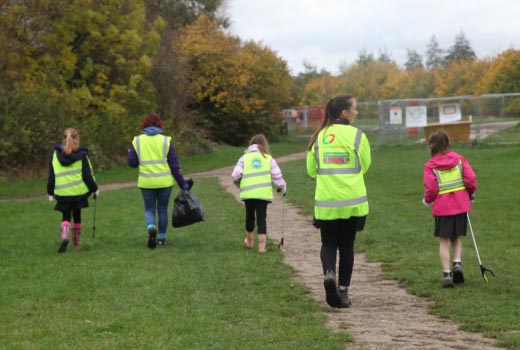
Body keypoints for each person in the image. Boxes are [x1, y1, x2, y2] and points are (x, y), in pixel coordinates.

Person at [306, 94, 371, 308]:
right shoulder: (357, 136)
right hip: (352, 201)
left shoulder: (319, 136)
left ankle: (329, 273)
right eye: (355, 108)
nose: (357, 112)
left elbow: (311, 170)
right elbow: (366, 165)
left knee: (328, 242)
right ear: (344, 112)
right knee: (347, 245)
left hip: (326, 202)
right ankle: (343, 293)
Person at [423, 130, 476, 288]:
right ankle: (457, 264)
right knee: (456, 237)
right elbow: (471, 179)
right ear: (447, 143)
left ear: (432, 146)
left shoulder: (430, 165)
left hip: (442, 207)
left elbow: (431, 188)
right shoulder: (460, 159)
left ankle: (446, 274)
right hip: (460, 205)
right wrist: (470, 193)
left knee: (444, 240)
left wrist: (427, 200)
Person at [128, 113, 190, 249]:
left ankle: (151, 227)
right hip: (164, 182)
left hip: (146, 182)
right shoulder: (166, 141)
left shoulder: (137, 141)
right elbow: (174, 166)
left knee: (149, 209)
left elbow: (132, 163)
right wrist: (183, 184)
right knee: (162, 209)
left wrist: (130, 153)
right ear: (159, 125)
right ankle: (161, 238)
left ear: (144, 125)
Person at [231, 134, 287, 253]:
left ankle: (249, 241)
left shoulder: (244, 158)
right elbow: (278, 177)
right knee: (262, 218)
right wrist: (282, 187)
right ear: (264, 144)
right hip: (263, 194)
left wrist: (238, 184)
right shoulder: (268, 159)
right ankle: (262, 247)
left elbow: (235, 175)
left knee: (249, 216)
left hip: (248, 193)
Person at [47, 128, 99, 253]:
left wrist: (50, 192)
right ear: (77, 139)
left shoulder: (55, 155)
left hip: (62, 193)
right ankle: (76, 243)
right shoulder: (82, 155)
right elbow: (87, 175)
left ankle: (65, 236)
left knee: (65, 216)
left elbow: (51, 176)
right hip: (78, 193)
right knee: (77, 216)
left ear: (63, 139)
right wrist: (95, 188)